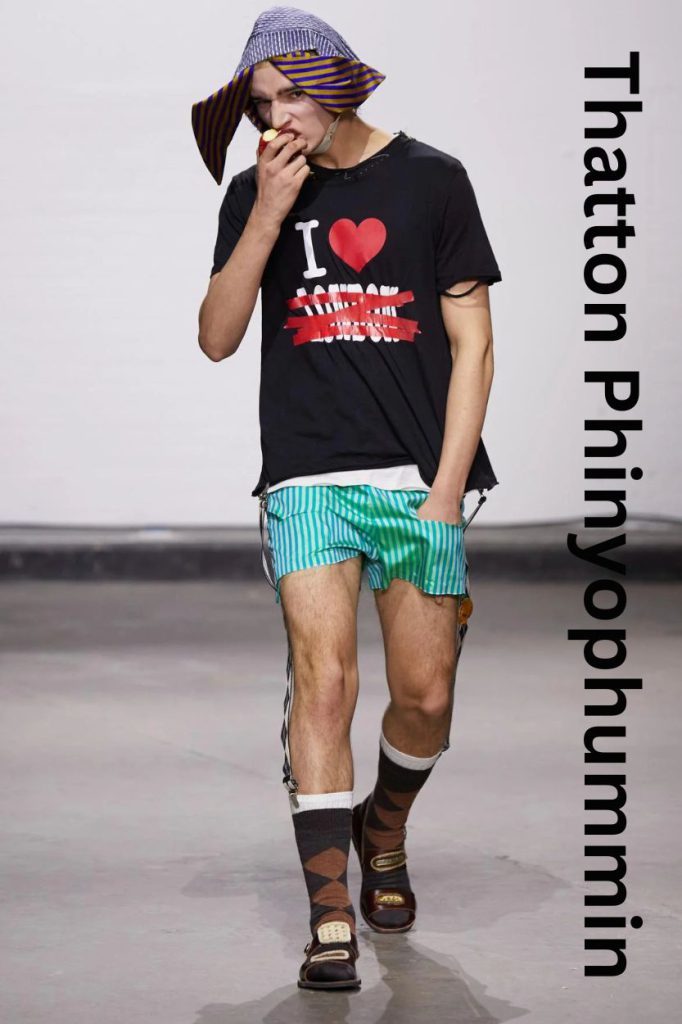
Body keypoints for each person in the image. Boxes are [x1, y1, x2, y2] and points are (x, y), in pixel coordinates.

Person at [193, 6, 502, 992]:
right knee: (322, 682)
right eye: (260, 105)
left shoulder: (433, 180)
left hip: (418, 479)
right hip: (307, 474)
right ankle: (330, 917)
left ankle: (385, 828)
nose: (276, 119)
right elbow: (216, 336)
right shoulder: (254, 192)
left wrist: (447, 489)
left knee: (426, 697)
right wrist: (269, 214)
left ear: (340, 84)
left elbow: (473, 344)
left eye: (293, 96)